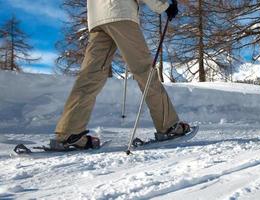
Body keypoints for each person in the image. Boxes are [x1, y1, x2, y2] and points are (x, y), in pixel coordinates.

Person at [54, 0, 190, 150]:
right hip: (120, 13)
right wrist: (164, 6)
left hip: (97, 19)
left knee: (89, 77)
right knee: (145, 71)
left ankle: (69, 133)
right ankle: (169, 126)